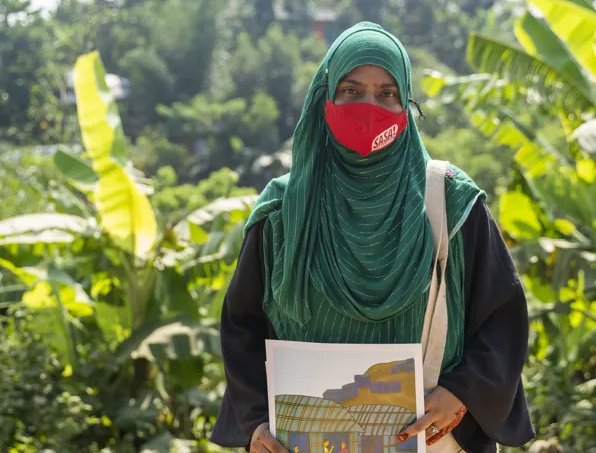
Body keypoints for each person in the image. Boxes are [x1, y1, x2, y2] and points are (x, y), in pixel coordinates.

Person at [210, 22, 535, 453]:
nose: (369, 107)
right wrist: (255, 423)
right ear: (324, 100)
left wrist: (462, 392)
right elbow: (242, 326)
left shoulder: (451, 202)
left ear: (406, 104)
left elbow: (501, 316)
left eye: (387, 94)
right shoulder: (282, 211)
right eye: (350, 90)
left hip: (437, 440)